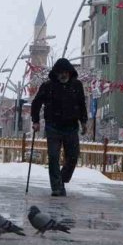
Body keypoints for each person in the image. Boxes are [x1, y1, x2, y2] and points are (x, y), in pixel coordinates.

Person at [30, 57, 88, 197]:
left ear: (70, 72)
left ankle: (61, 179)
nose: (63, 75)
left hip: (71, 127)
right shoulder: (48, 86)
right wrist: (36, 121)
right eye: (60, 72)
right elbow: (36, 103)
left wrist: (84, 122)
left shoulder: (77, 86)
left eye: (65, 72)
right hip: (53, 127)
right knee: (53, 156)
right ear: (56, 73)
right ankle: (56, 187)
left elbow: (81, 104)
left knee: (73, 157)